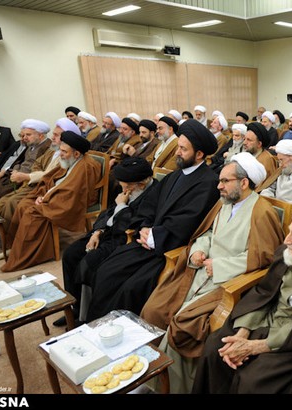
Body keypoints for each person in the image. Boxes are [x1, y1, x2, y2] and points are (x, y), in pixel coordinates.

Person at [141, 153, 284, 393]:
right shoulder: (223, 202)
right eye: (220, 180)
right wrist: (199, 249)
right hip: (200, 273)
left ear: (244, 183)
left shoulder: (261, 212)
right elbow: (207, 234)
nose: (219, 186)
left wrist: (220, 266)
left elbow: (264, 258)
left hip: (228, 283)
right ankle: (149, 376)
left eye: (225, 181)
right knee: (154, 309)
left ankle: (171, 387)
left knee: (183, 327)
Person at [192, 202, 292, 394]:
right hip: (265, 319)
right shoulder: (288, 253)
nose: (286, 240)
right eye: (289, 231)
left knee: (253, 381)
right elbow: (264, 293)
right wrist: (243, 333)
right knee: (214, 348)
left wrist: (255, 346)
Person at [86, 120, 220, 321]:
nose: (177, 153)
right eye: (178, 147)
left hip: (167, 250)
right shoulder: (175, 175)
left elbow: (189, 222)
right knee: (106, 269)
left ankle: (119, 330)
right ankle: (99, 326)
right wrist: (144, 227)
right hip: (147, 241)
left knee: (130, 288)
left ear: (199, 154)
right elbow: (150, 204)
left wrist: (154, 236)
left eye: (183, 149)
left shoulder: (208, 183)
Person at [57, 157, 157, 325]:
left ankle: (86, 315)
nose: (124, 190)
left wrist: (121, 206)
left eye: (127, 187)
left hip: (122, 238)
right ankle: (75, 307)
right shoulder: (129, 188)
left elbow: (134, 224)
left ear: (141, 184)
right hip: (106, 232)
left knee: (89, 264)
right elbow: (107, 212)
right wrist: (97, 231)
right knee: (70, 254)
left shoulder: (153, 195)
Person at [1, 131, 101, 272]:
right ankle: (15, 246)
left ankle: (25, 255)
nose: (60, 154)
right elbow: (51, 179)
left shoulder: (86, 166)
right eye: (61, 150)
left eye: (64, 152)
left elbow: (74, 192)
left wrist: (46, 198)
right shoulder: (70, 159)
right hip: (55, 194)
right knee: (23, 204)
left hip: (70, 201)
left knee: (32, 212)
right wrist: (42, 194)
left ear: (76, 154)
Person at [0, 118, 78, 235]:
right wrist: (31, 174)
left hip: (44, 186)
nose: (52, 137)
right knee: (1, 202)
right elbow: (37, 164)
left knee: (12, 202)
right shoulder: (53, 150)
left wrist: (28, 176)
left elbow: (51, 174)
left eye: (56, 135)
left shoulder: (67, 154)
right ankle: (4, 234)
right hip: (35, 182)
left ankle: (12, 236)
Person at [0, 119, 52, 207]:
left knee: (5, 198)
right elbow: (20, 161)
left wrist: (22, 175)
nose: (24, 138)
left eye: (28, 135)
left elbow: (40, 169)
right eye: (23, 135)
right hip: (16, 174)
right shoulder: (31, 145)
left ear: (40, 135)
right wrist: (15, 170)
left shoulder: (48, 147)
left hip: (28, 180)